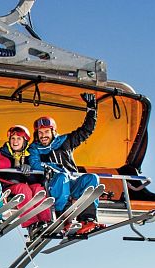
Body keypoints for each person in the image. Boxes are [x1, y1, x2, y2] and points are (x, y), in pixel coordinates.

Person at [28, 93, 103, 235]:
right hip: (53, 184)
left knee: (92, 178)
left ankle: (87, 218)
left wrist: (92, 110)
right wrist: (55, 168)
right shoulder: (35, 148)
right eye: (40, 132)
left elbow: (86, 131)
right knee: (62, 176)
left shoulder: (65, 142)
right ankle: (63, 217)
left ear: (53, 131)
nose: (43, 135)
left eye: (46, 132)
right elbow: (35, 164)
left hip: (72, 181)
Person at [0, 124, 53, 237]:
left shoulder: (30, 156)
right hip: (9, 188)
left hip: (25, 187)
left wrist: (29, 171)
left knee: (38, 189)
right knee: (23, 188)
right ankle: (31, 224)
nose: (15, 141)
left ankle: (45, 221)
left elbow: (37, 179)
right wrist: (15, 168)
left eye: (19, 138)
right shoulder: (2, 153)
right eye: (13, 138)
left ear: (25, 141)